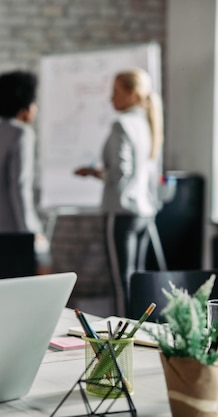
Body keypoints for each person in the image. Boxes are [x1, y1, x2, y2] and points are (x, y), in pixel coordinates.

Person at [74, 68, 163, 316]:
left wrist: (93, 173)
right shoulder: (148, 123)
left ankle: (126, 340)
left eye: (115, 92)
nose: (110, 98)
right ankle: (141, 333)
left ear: (132, 94)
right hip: (144, 212)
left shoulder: (122, 124)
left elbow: (118, 174)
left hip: (121, 212)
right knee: (137, 279)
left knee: (120, 280)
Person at [0, 71, 49, 270]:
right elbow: (20, 186)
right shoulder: (22, 133)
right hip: (15, 233)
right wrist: (31, 230)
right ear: (24, 104)